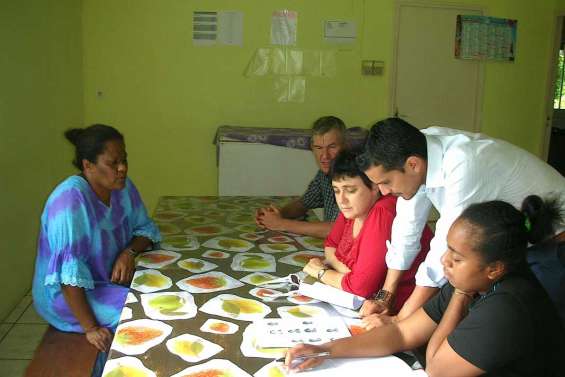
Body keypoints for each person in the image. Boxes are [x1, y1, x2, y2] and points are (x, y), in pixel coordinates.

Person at [286, 199, 565, 377]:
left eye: (456, 258)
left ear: (494, 268)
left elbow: (437, 369)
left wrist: (459, 293)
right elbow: (401, 331)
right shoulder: (476, 280)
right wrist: (325, 349)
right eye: (448, 251)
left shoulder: (508, 305)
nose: (445, 261)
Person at [356, 118, 565, 323]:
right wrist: (385, 298)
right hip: (518, 241)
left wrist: (399, 321)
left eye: (386, 182)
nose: (384, 191)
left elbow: (445, 248)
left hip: (554, 240)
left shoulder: (464, 162)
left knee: (542, 325)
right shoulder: (419, 151)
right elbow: (406, 228)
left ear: (413, 164)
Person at [32, 125, 160, 358]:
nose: (122, 169)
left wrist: (128, 252)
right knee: (142, 312)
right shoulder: (69, 202)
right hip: (69, 297)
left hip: (105, 281)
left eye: (124, 160)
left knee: (164, 290)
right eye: (113, 163)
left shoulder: (122, 187)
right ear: (88, 165)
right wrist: (90, 328)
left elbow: (145, 228)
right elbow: (67, 278)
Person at [302, 150, 433, 311]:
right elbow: (330, 245)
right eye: (336, 190)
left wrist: (321, 272)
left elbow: (360, 288)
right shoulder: (353, 209)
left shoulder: (383, 211)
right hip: (363, 303)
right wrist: (349, 274)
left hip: (402, 309)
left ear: (374, 186)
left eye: (350, 190)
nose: (341, 200)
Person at [256, 116, 347, 238]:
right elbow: (303, 204)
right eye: (319, 148)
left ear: (345, 146)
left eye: (332, 147)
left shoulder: (353, 176)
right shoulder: (324, 174)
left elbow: (338, 229)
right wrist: (274, 216)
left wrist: (281, 223)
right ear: (312, 148)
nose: (325, 156)